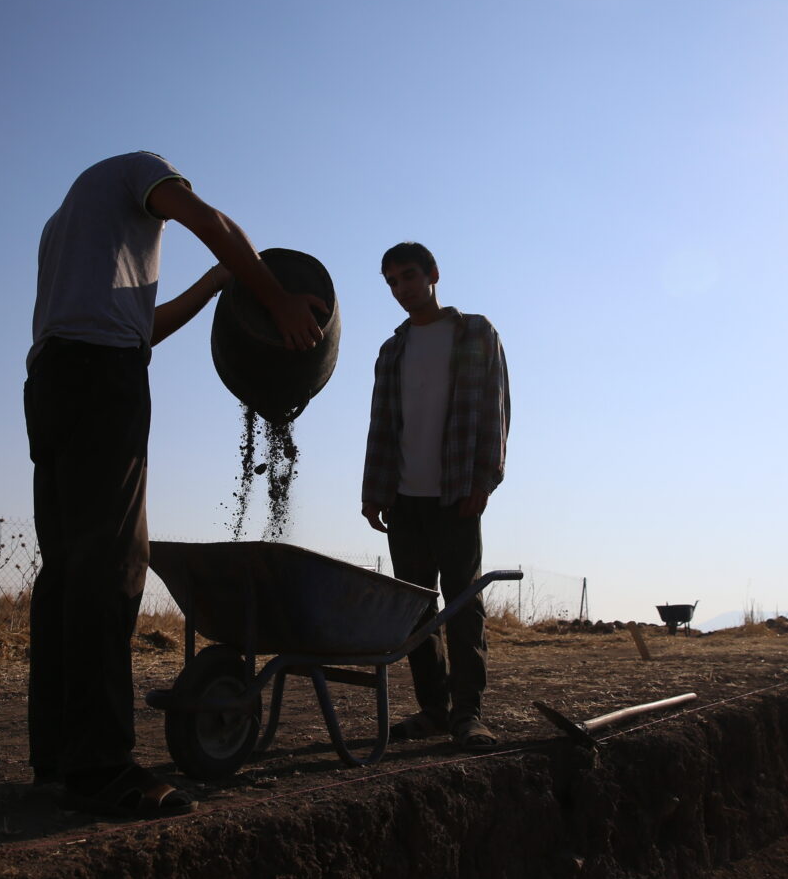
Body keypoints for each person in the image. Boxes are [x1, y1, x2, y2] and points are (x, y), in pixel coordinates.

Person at [25, 152, 325, 817]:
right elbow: (211, 220)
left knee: (67, 573)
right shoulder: (141, 167)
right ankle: (102, 766)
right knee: (112, 565)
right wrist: (273, 296)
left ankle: (57, 758)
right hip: (103, 378)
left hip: (52, 381)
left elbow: (146, 328)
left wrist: (220, 285)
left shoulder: (67, 229)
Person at [361, 241, 510, 751]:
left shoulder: (474, 334)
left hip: (455, 495)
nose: (402, 289)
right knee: (417, 611)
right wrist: (373, 492)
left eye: (408, 277)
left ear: (433, 275)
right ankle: (434, 710)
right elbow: (381, 425)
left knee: (463, 605)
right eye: (392, 282)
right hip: (404, 500)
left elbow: (494, 411)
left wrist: (483, 480)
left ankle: (469, 714)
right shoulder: (392, 350)